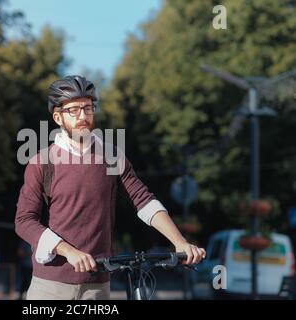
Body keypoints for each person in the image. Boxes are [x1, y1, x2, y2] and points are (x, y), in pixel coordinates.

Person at [14, 75, 206, 300]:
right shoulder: (42, 162)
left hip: (98, 285)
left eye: (87, 108)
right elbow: (24, 221)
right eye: (73, 110)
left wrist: (180, 241)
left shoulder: (111, 156)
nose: (83, 116)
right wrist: (68, 251)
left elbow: (142, 200)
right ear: (58, 117)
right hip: (51, 285)